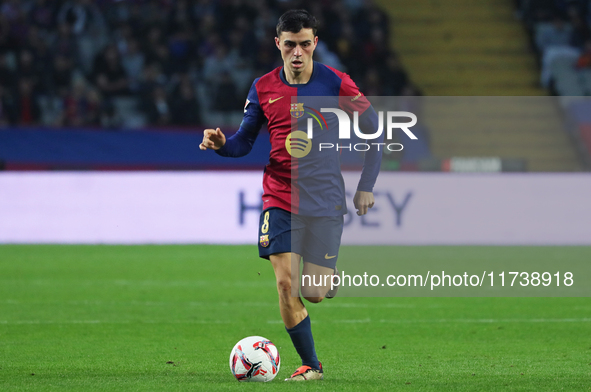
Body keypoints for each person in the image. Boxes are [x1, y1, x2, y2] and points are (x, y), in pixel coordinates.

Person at [200, 9, 381, 381]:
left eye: (303, 44)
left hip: (325, 199)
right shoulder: (262, 87)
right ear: (278, 44)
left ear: (315, 43)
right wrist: (221, 144)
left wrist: (366, 185)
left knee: (313, 292)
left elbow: (375, 131)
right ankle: (311, 366)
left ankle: (327, 280)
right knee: (285, 283)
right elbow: (242, 143)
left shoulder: (337, 83)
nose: (296, 52)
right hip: (279, 195)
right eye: (289, 45)